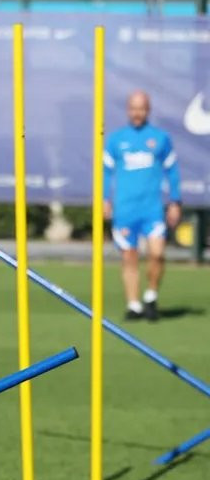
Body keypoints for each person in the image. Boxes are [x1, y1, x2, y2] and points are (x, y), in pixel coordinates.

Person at [103, 90, 181, 322]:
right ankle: (134, 304)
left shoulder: (160, 138)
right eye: (133, 108)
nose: (137, 113)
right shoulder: (116, 140)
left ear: (148, 109)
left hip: (152, 208)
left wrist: (175, 202)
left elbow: (172, 172)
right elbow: (106, 174)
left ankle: (151, 294)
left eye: (142, 108)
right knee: (129, 257)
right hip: (125, 209)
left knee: (157, 254)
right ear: (128, 109)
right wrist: (104, 200)